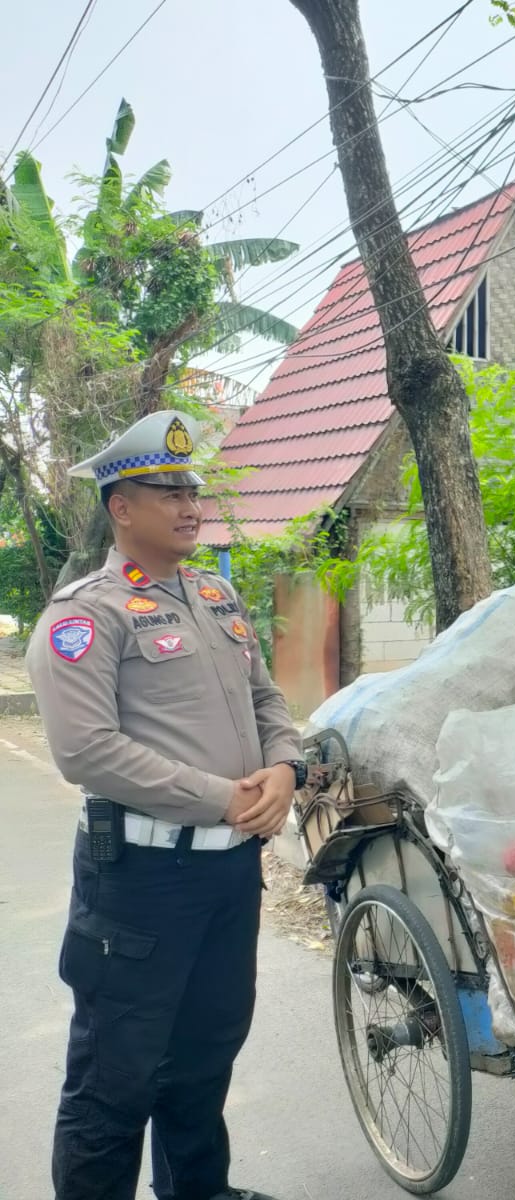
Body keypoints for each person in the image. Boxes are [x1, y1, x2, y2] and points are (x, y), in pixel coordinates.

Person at [26, 411, 302, 1200]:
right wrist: (222, 799)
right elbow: (86, 751)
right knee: (116, 1077)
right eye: (168, 492)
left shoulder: (216, 594)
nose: (190, 505)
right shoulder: (86, 614)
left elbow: (264, 696)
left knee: (206, 1053)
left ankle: (198, 1192)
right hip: (142, 880)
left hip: (228, 876)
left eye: (192, 490)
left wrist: (285, 767)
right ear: (121, 507)